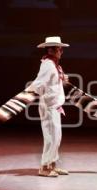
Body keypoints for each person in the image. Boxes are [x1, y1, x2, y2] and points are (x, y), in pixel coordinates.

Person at [26, 36, 69, 177]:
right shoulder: (48, 65)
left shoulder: (54, 65)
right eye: (59, 49)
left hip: (54, 105)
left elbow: (52, 83)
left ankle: (52, 164)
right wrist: (26, 96)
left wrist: (62, 79)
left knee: (56, 137)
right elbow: (39, 83)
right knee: (51, 137)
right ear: (52, 50)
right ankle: (44, 167)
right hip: (49, 106)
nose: (61, 52)